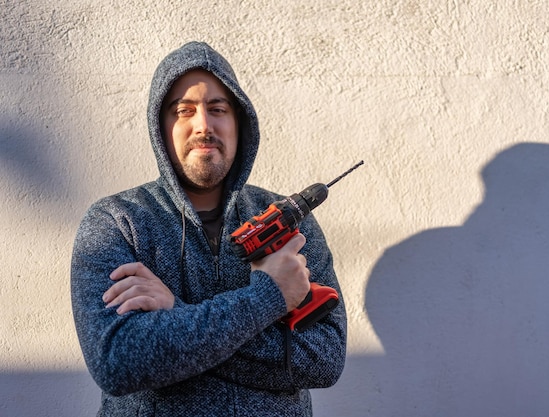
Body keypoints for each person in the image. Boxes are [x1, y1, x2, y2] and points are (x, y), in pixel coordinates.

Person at [71, 41, 347, 416]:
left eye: (218, 109)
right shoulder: (116, 222)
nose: (203, 125)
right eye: (184, 111)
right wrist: (269, 298)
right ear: (161, 127)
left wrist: (176, 314)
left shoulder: (290, 224)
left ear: (239, 123)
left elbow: (323, 361)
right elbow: (119, 363)